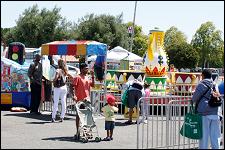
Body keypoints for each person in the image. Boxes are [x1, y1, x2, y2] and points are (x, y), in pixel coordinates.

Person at [192, 69, 223, 149]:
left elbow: (194, 98)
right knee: (215, 136)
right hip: (216, 112)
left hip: (205, 112)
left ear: (202, 75)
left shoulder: (201, 84)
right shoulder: (215, 84)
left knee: (204, 136)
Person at [72, 63, 95, 139]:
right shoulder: (77, 77)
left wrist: (93, 76)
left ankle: (86, 132)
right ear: (81, 69)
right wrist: (74, 95)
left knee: (87, 116)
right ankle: (78, 132)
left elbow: (93, 85)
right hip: (80, 99)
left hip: (87, 99)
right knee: (79, 116)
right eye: (86, 68)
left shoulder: (87, 77)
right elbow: (71, 87)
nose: (87, 69)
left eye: (87, 68)